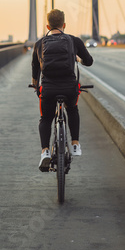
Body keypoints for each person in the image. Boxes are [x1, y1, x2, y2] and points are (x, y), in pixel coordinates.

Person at [31, 9, 94, 171]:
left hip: (49, 89)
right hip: (69, 88)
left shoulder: (40, 44)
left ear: (47, 25)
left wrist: (36, 86)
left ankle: (45, 151)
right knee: (72, 109)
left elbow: (35, 72)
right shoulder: (74, 41)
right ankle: (75, 144)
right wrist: (78, 58)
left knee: (45, 118)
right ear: (64, 24)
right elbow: (89, 61)